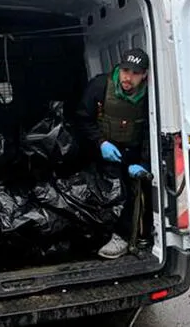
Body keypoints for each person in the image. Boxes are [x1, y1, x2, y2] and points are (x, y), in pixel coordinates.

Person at [75, 47, 153, 259]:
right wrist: (100, 143)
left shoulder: (151, 96)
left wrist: (145, 163)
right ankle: (94, 233)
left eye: (135, 73)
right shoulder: (100, 86)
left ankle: (123, 237)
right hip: (103, 150)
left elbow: (151, 130)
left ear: (144, 75)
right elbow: (82, 119)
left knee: (133, 193)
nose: (128, 77)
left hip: (132, 153)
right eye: (125, 70)